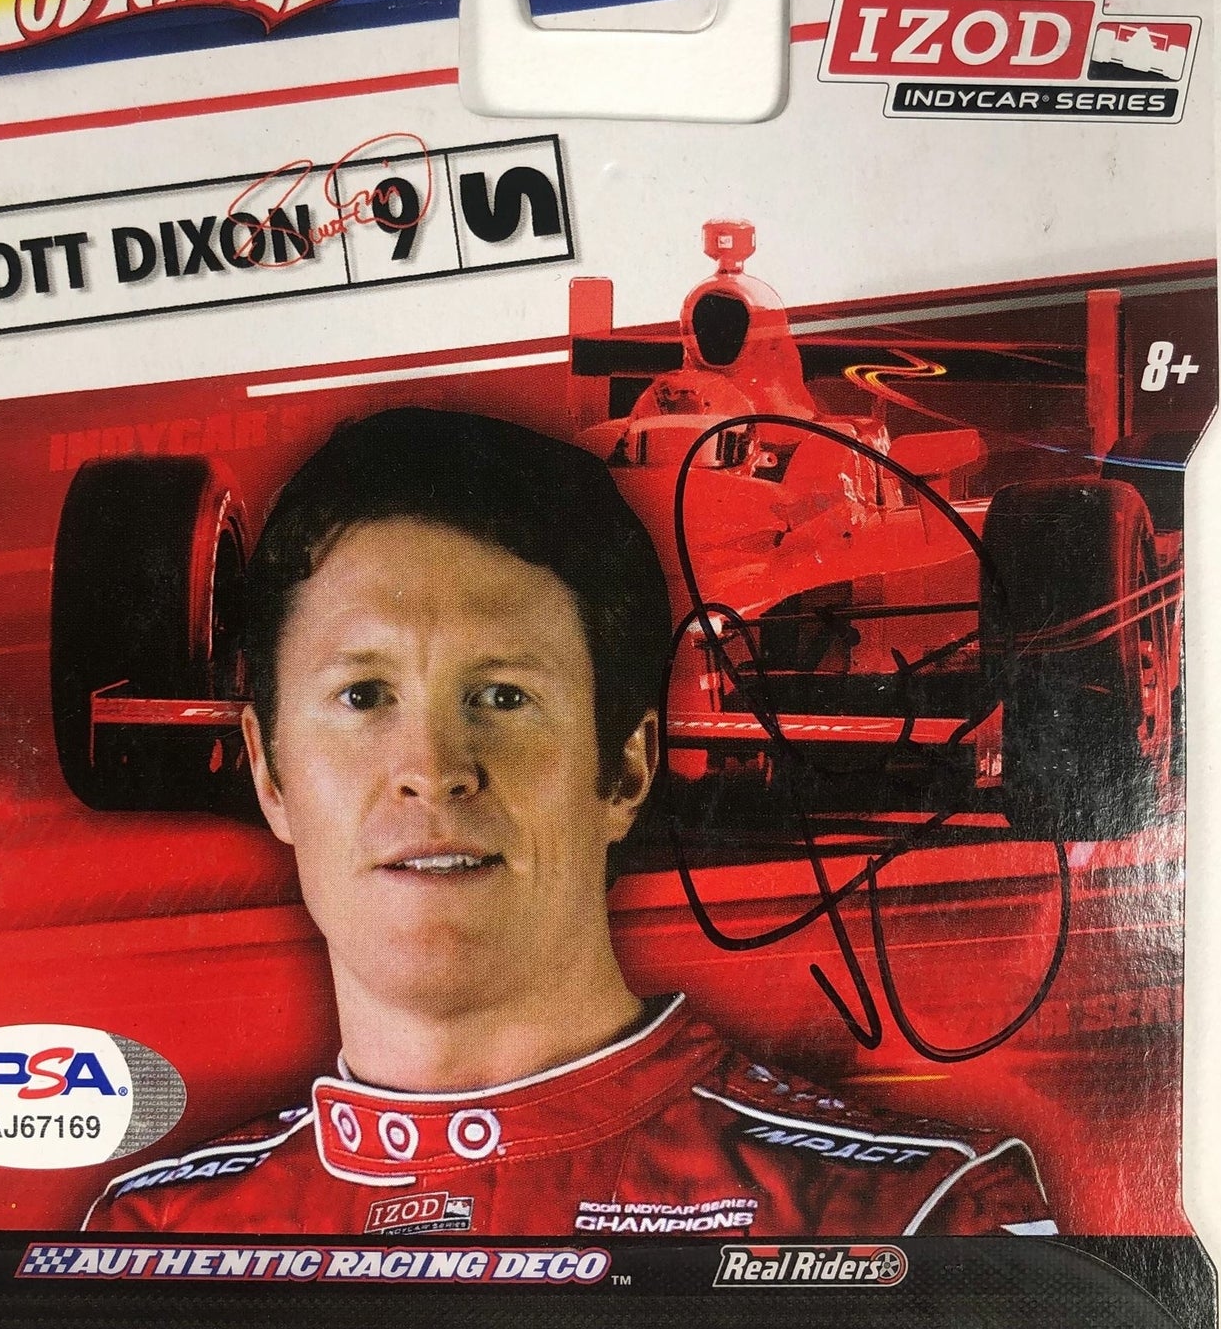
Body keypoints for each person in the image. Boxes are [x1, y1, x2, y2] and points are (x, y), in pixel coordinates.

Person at [85, 407, 1053, 1238]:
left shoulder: (919, 1216)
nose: (432, 770)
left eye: (502, 696)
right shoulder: (154, 1239)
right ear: (268, 772)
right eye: (364, 695)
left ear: (625, 770)